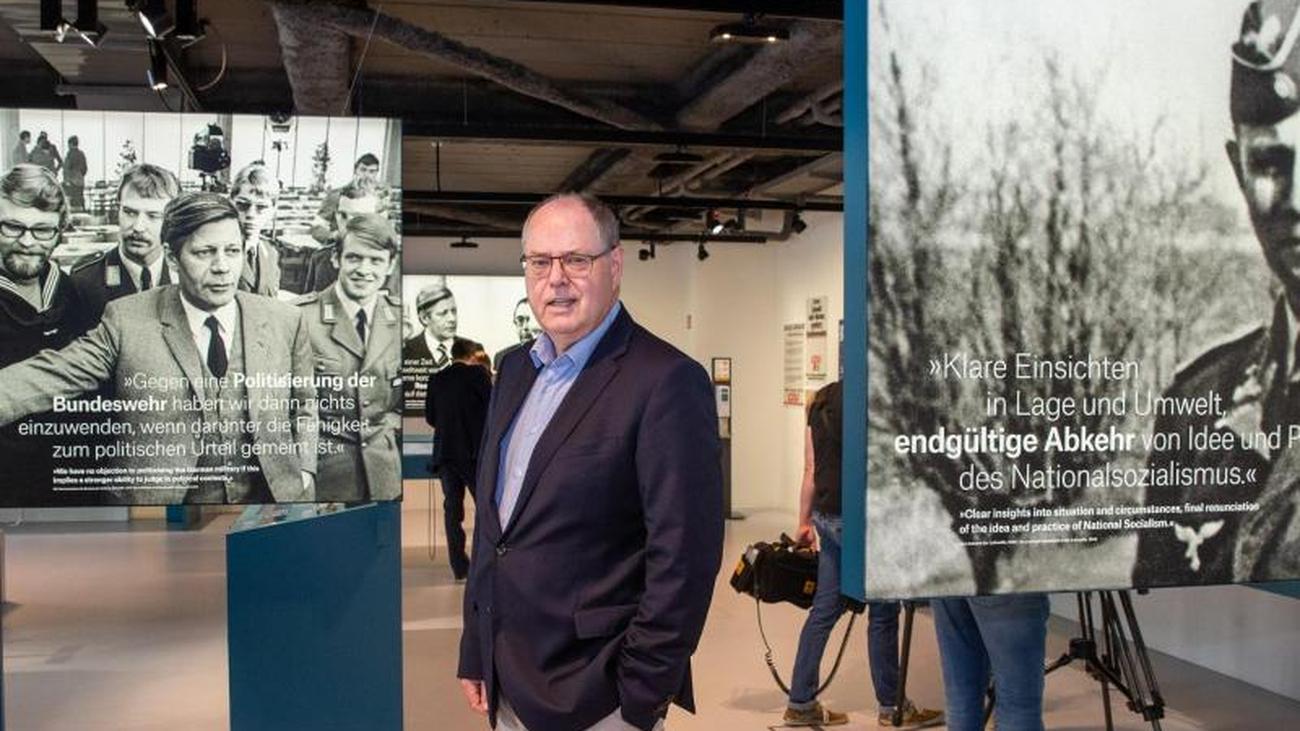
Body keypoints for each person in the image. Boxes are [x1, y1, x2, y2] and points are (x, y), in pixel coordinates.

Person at [457, 193, 724, 731]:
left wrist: (640, 693)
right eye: (540, 262)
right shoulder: (514, 369)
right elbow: (494, 528)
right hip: (508, 679)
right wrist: (475, 648)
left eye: (576, 260)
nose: (556, 279)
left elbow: (685, 556)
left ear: (615, 265)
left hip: (598, 693)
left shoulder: (666, 380)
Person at [0, 192, 318, 505]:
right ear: (171, 257)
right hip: (159, 514)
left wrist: (305, 469)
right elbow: (54, 372)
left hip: (268, 505)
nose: (222, 267)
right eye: (205, 252)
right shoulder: (127, 319)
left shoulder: (285, 320)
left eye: (232, 251)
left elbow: (304, 404)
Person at [1133, 0, 1300, 586]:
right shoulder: (1199, 400)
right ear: (1238, 170)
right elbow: (1158, 590)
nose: (1295, 200)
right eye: (1272, 163)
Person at [783, 381, 944, 728]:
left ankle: (800, 703)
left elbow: (811, 468)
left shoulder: (820, 400)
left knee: (824, 610)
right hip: (863, 519)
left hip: (828, 516)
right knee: (883, 614)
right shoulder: (876, 396)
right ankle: (892, 707)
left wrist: (804, 521)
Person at [294, 212, 403, 502]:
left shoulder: (401, 320)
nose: (364, 270)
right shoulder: (300, 319)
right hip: (325, 478)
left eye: (376, 260)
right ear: (336, 259)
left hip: (385, 477)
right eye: (354, 258)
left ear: (390, 265)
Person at [0, 163, 89, 506]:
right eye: (12, 227)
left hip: (72, 485)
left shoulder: (73, 292)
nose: (27, 242)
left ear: (59, 232)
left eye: (42, 230)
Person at [70, 163, 181, 326]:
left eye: (153, 216)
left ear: (171, 220)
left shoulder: (185, 277)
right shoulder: (85, 281)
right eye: (130, 212)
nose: (138, 227)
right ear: (117, 212)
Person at [424, 337, 492, 580]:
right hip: (473, 453)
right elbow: (493, 408)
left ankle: (459, 566)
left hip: (445, 453)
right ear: (472, 355)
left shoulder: (437, 379)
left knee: (452, 511)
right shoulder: (478, 375)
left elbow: (430, 417)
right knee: (485, 508)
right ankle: (486, 561)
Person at [302, 185, 391, 293]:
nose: (347, 224)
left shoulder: (396, 264)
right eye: (343, 215)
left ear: (382, 217)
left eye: (359, 217)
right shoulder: (322, 259)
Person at [402, 283, 469, 414]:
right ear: (424, 318)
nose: (452, 319)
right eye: (443, 313)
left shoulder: (472, 350)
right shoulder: (404, 354)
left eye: (454, 311)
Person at [309, 153, 392, 246]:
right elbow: (316, 227)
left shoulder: (379, 200)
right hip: (341, 248)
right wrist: (334, 236)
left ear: (376, 174)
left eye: (372, 171)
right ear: (355, 171)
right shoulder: (336, 196)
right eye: (363, 170)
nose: (367, 175)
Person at [229, 162, 282, 297]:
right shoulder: (217, 251)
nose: (251, 214)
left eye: (261, 207)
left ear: (273, 211)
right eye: (243, 205)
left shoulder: (270, 253)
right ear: (231, 203)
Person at [492, 297, 543, 372]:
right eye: (520, 320)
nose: (525, 327)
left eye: (529, 320)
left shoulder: (557, 354)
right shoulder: (503, 358)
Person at [63, 136, 88, 212]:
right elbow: (85, 168)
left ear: (70, 144)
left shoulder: (70, 154)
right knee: (80, 198)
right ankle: (82, 211)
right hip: (80, 180)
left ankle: (75, 214)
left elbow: (67, 167)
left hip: (72, 180)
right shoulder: (81, 154)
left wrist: (66, 178)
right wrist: (80, 174)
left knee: (72, 200)